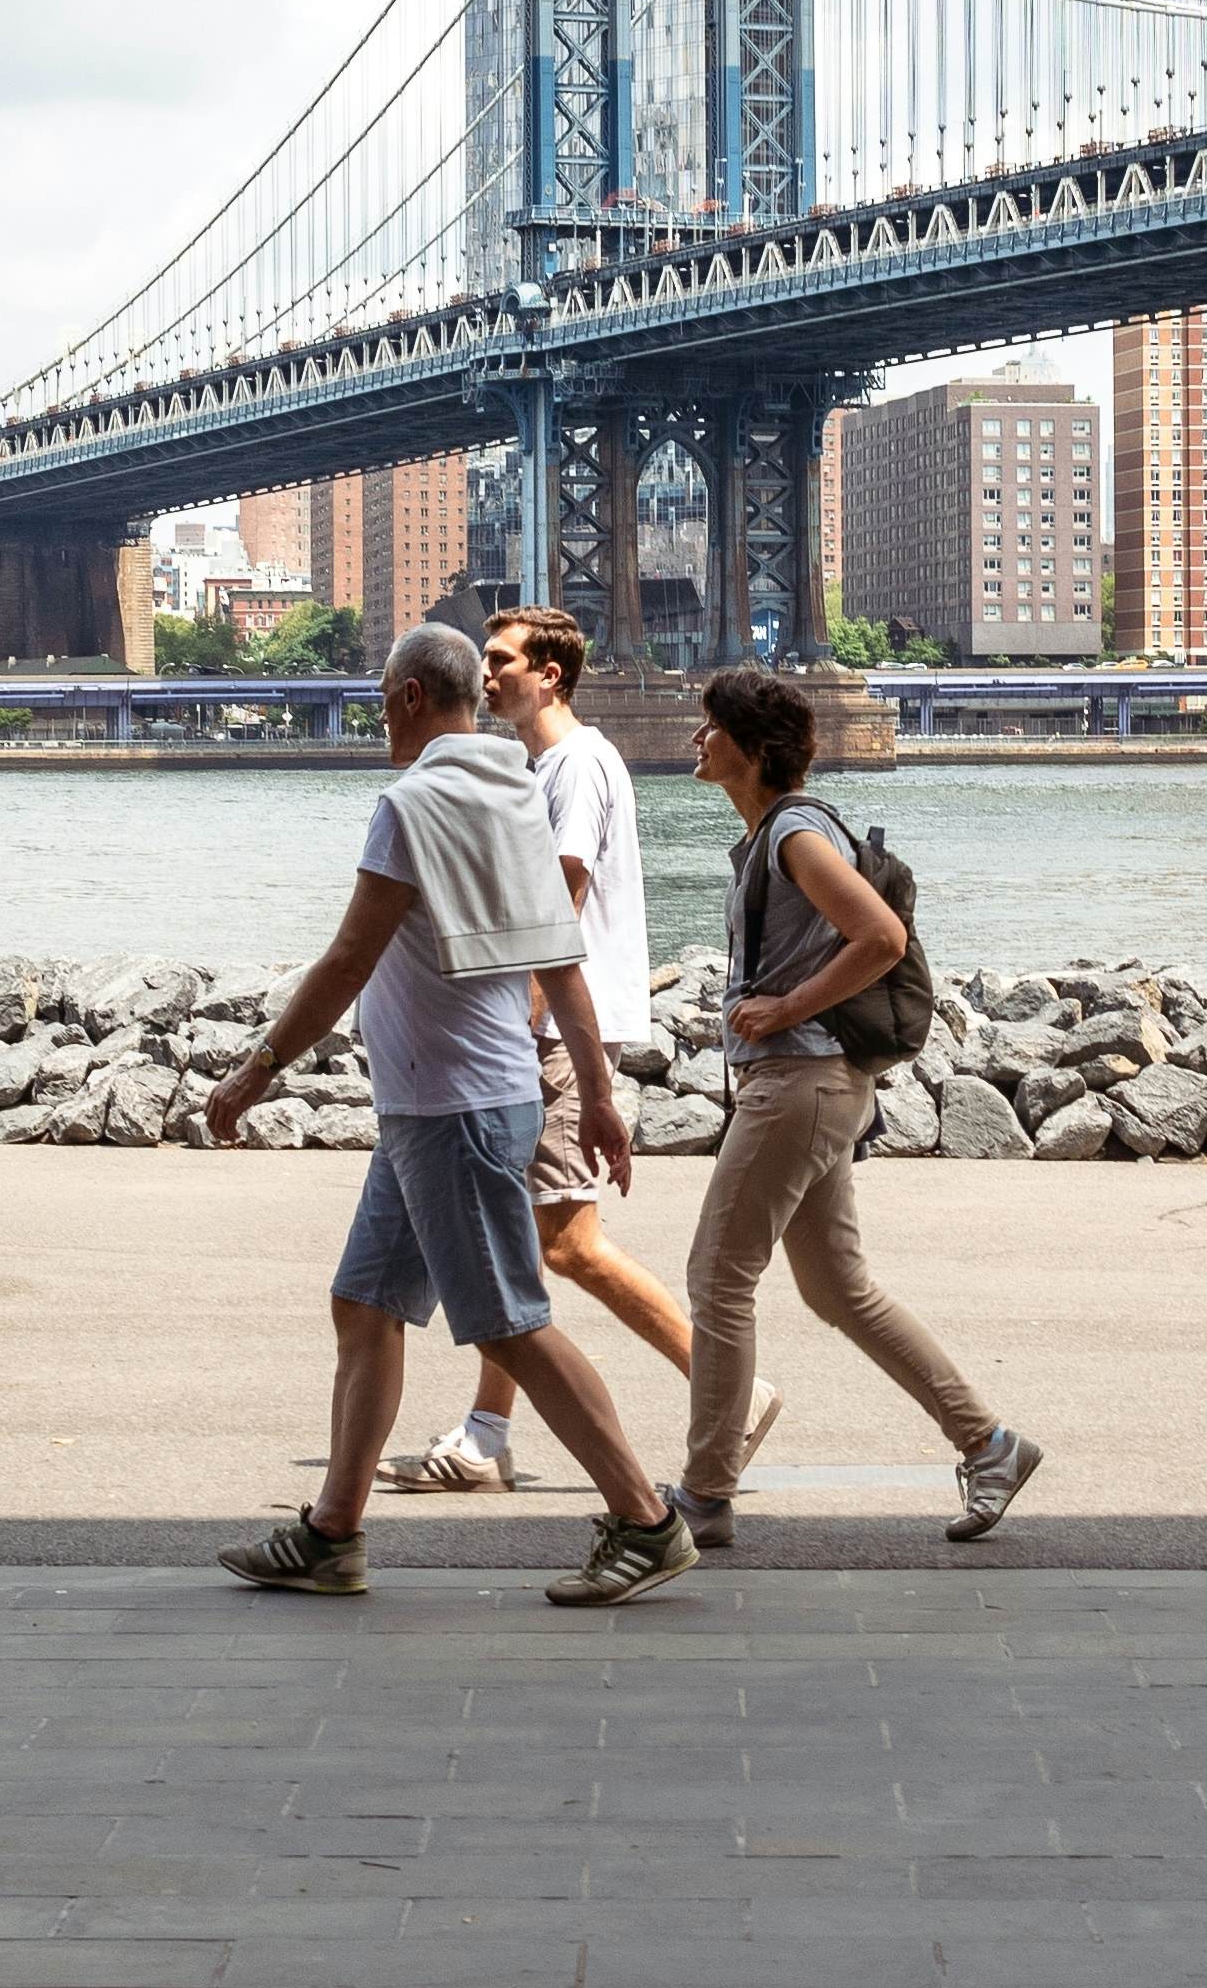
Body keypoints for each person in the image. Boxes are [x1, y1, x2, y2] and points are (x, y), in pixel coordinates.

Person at [203, 622, 697, 1609]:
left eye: (384, 700)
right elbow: (558, 955)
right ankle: (330, 1536)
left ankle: (645, 1522)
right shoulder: (514, 789)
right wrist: (596, 1093)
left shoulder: (410, 803)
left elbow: (347, 960)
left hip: (452, 1108)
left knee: (509, 1324)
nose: (380, 716)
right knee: (366, 1304)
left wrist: (253, 1071)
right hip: (460, 1100)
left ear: (409, 700)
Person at [378, 603, 781, 1494]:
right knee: (518, 1246)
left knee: (567, 1245)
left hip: (554, 1034)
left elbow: (550, 909)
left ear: (548, 674)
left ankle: (732, 1395)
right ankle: (485, 1438)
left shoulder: (575, 767)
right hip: (550, 1032)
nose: (485, 676)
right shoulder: (544, 764)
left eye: (500, 660)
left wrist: (514, 1030)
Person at [675, 666, 1043, 1552]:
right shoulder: (778, 833)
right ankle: (989, 1444)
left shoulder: (794, 832)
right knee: (838, 1287)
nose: (696, 740)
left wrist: (783, 1007)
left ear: (751, 748)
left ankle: (704, 1492)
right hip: (821, 1086)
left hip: (799, 1082)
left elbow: (880, 938)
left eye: (709, 726)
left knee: (718, 1281)